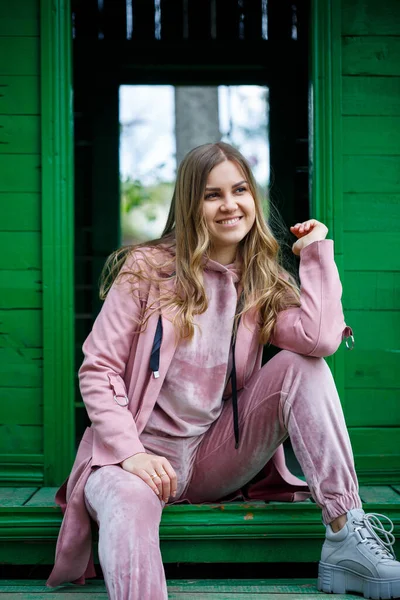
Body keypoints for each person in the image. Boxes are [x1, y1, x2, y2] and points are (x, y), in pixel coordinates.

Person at [47, 142, 400, 599]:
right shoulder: (146, 269)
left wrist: (315, 254)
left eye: (239, 190)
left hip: (212, 458)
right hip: (131, 461)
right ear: (191, 204)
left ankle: (345, 532)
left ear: (254, 196)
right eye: (212, 195)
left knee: (303, 367)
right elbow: (98, 369)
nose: (230, 205)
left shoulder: (260, 280)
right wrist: (130, 453)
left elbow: (321, 339)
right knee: (130, 502)